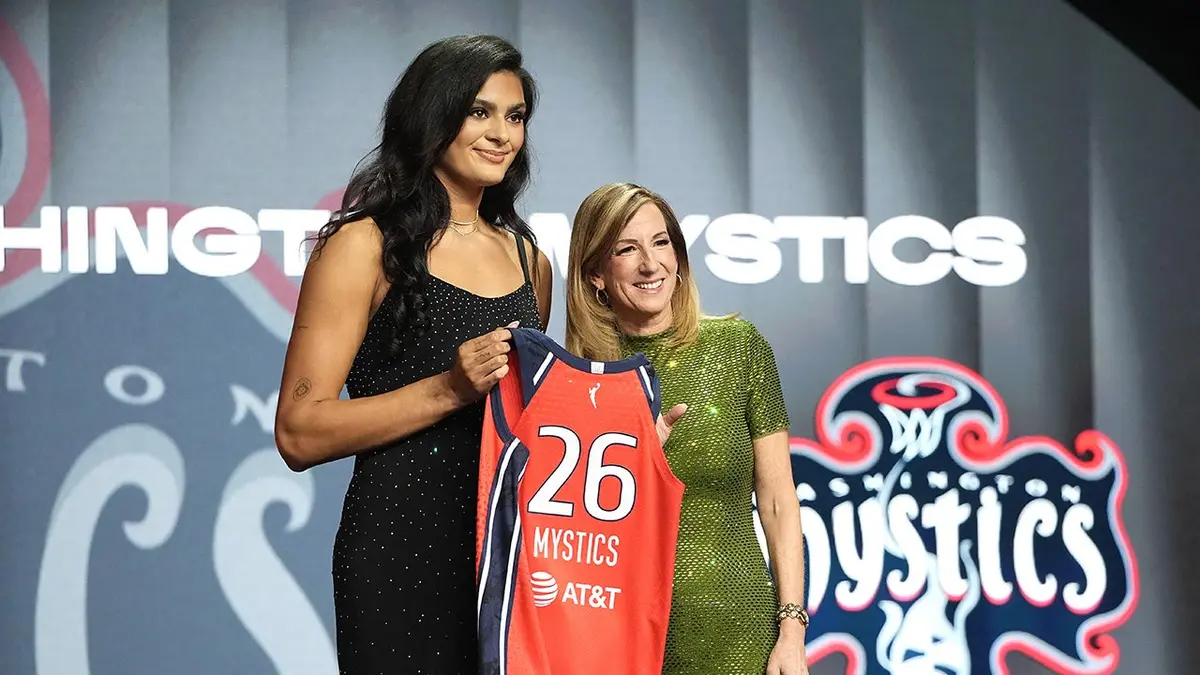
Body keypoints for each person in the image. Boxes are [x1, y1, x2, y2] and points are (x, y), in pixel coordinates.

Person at [272, 35, 552, 675]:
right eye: (479, 112)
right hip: (398, 549)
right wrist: (448, 390)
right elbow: (298, 430)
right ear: (432, 116)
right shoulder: (362, 246)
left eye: (515, 117)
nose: (501, 134)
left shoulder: (531, 262)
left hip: (507, 556)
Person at [564, 183, 810, 675]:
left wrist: (791, 629)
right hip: (618, 637)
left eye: (661, 243)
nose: (650, 264)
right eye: (625, 249)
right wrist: (635, 463)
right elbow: (565, 538)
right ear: (595, 275)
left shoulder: (738, 348)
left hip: (741, 631)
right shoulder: (577, 379)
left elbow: (779, 500)